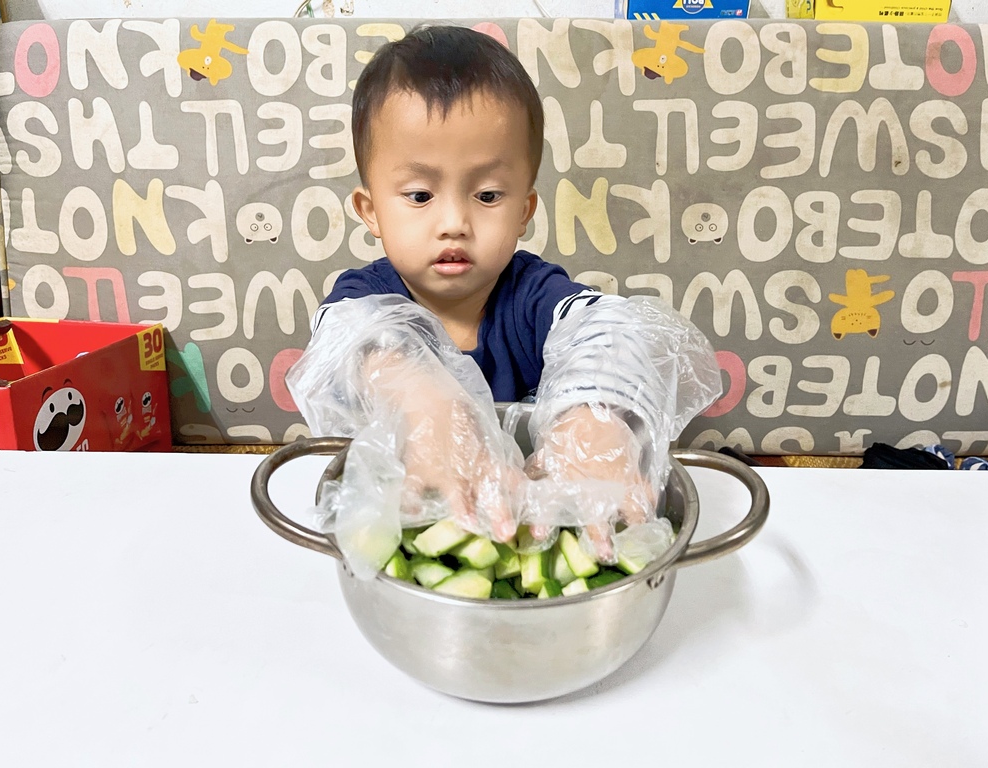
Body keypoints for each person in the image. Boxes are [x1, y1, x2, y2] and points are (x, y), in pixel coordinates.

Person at [288, 25, 720, 558]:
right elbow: (350, 344)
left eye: (487, 194)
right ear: (371, 211)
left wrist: (594, 418)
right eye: (420, 195)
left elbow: (613, 327)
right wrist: (422, 402)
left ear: (524, 211)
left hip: (534, 523)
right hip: (414, 509)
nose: (454, 222)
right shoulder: (365, 298)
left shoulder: (533, 294)